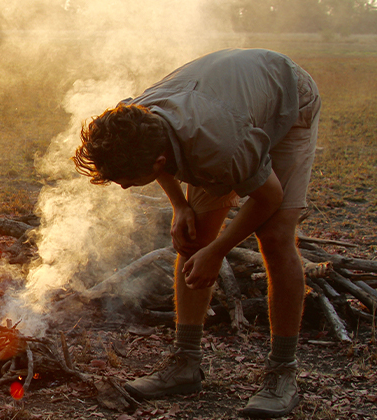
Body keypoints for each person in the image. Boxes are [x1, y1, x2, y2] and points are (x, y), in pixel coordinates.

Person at [73, 49, 320, 418]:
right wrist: (179, 205)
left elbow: (269, 197)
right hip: (225, 104)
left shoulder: (220, 147)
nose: (124, 188)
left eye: (127, 181)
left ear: (157, 162)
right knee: (191, 238)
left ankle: (282, 374)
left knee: (275, 236)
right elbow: (161, 155)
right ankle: (185, 363)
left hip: (287, 99)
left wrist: (219, 250)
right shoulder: (132, 118)